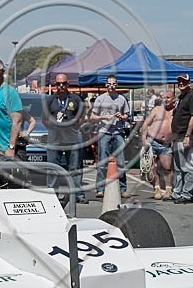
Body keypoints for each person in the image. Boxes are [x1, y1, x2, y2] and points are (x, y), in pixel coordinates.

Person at [43, 73, 88, 204]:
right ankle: (52, 194)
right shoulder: (50, 100)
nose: (61, 86)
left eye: (63, 83)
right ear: (55, 85)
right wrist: (53, 127)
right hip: (55, 138)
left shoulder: (75, 99)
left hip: (72, 138)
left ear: (68, 84)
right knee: (52, 168)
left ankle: (77, 194)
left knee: (75, 168)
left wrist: (72, 127)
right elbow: (45, 119)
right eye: (58, 84)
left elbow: (81, 117)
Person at [90, 75, 130, 198]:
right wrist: (103, 117)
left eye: (113, 84)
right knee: (102, 162)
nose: (111, 86)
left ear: (116, 85)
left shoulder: (122, 99)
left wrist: (121, 117)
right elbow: (92, 117)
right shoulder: (100, 99)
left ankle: (123, 189)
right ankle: (100, 189)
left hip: (118, 132)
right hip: (104, 132)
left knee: (121, 162)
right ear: (106, 85)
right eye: (109, 84)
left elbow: (127, 116)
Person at [170, 73, 193, 204]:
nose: (181, 83)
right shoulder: (182, 97)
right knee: (177, 167)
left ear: (189, 83)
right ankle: (177, 192)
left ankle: (186, 194)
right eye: (179, 81)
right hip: (177, 137)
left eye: (183, 81)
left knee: (187, 167)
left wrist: (187, 136)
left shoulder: (192, 96)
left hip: (184, 137)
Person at [141, 90, 175, 200]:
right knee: (153, 167)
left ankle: (168, 189)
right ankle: (156, 188)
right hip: (153, 141)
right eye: (163, 98)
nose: (165, 100)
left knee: (167, 167)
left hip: (166, 144)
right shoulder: (156, 110)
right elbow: (146, 124)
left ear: (173, 99)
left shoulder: (175, 111)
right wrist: (144, 140)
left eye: (168, 98)